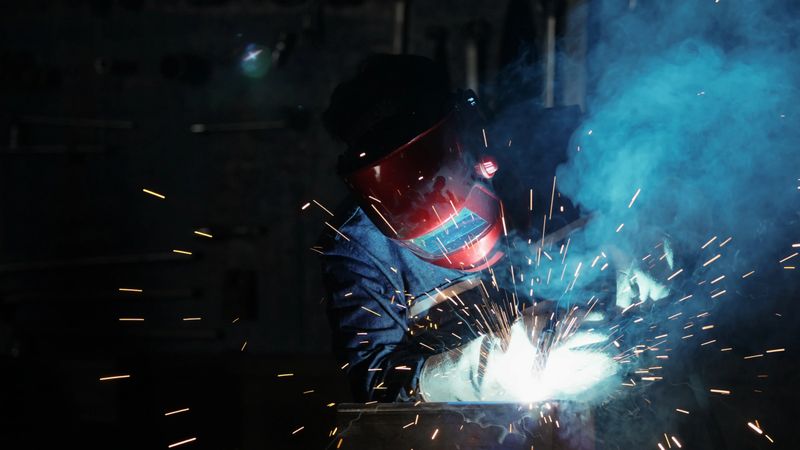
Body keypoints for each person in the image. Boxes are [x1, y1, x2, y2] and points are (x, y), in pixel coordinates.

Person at [317, 54, 669, 403]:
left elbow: (672, 169)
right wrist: (485, 369)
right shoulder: (358, 247)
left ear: (467, 136)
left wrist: (642, 237)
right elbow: (374, 384)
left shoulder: (551, 146)